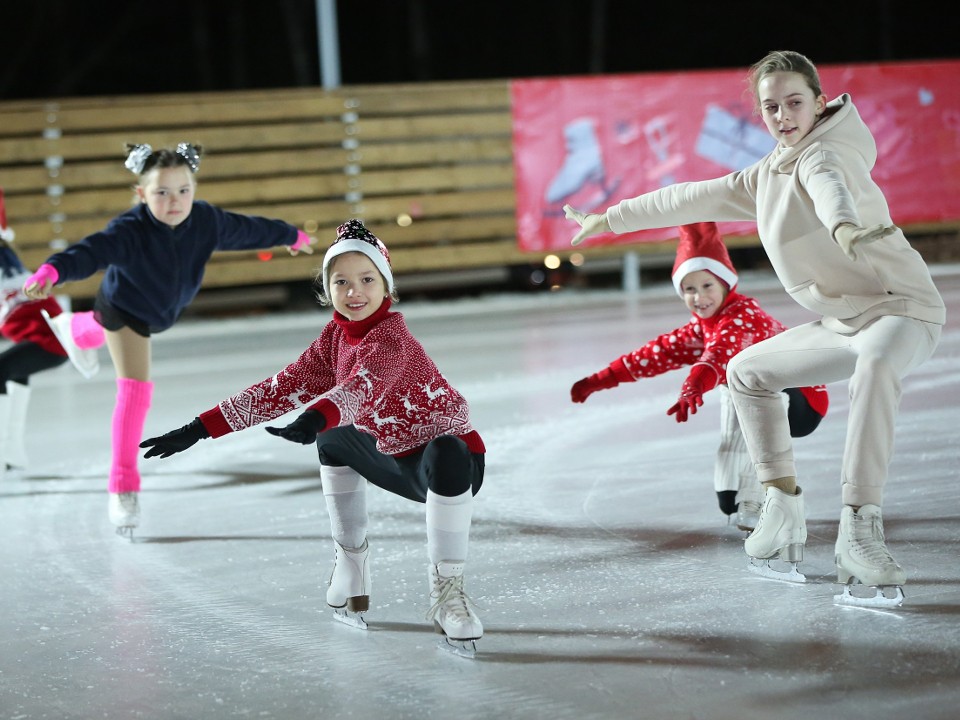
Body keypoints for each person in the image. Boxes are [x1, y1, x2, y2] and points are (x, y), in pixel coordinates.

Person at [564, 50, 944, 606]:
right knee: (745, 371)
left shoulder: (826, 155)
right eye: (772, 107)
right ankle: (781, 507)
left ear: (819, 101)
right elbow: (687, 196)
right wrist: (611, 218)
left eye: (795, 102)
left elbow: (830, 189)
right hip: (843, 322)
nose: (784, 115)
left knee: (877, 365)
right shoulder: (765, 175)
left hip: (902, 310)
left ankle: (861, 528)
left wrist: (843, 228)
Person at [139, 219, 486, 655]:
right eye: (341, 282)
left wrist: (315, 415)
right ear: (328, 289)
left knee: (446, 448)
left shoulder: (392, 340)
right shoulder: (334, 337)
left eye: (366, 280)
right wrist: (200, 428)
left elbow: (362, 387)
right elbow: (280, 387)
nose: (354, 292)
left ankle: (448, 594)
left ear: (386, 287)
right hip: (392, 455)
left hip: (449, 466)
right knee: (334, 438)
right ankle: (351, 565)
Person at [21, 143, 314, 537]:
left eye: (183, 190)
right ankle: (123, 484)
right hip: (126, 309)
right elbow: (87, 252)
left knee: (98, 329)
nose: (174, 201)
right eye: (161, 192)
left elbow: (248, 229)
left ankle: (74, 329)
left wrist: (289, 235)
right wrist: (51, 272)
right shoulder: (130, 231)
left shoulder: (206, 221)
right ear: (142, 195)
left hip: (159, 312)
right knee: (135, 390)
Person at [570, 222, 828, 532]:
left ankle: (755, 498)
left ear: (725, 284)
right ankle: (736, 496)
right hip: (751, 392)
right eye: (689, 289)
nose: (699, 297)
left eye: (707, 286)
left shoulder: (743, 315)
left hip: (802, 397)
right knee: (727, 489)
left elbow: (720, 351)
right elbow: (655, 354)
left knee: (740, 388)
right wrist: (599, 380)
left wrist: (694, 385)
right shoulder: (698, 329)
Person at [0, 190, 105, 480]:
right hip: (48, 339)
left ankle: (6, 452)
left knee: (2, 370)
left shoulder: (6, 263)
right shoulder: (8, 263)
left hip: (54, 339)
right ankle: (11, 453)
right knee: (8, 372)